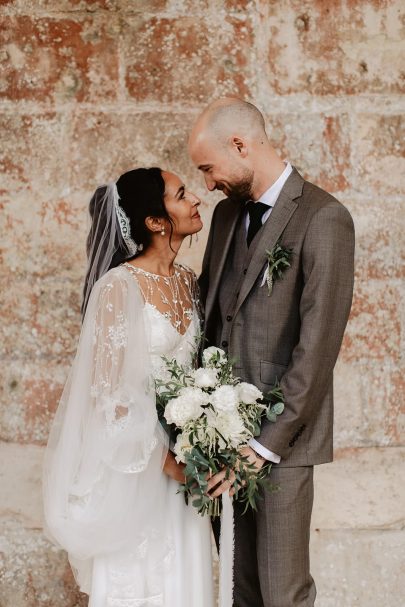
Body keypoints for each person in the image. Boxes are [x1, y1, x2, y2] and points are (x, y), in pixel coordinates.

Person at [189, 98, 355, 607]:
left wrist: (264, 446)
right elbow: (213, 316)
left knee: (282, 591)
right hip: (219, 439)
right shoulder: (223, 218)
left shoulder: (325, 218)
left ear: (241, 145)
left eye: (209, 168)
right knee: (241, 588)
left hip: (281, 443)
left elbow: (317, 349)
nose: (208, 183)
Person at [43, 168, 214, 607]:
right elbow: (110, 398)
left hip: (185, 467)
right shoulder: (118, 287)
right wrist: (170, 463)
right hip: (138, 472)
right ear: (156, 222)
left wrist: (205, 440)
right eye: (180, 194)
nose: (195, 198)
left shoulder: (189, 283)